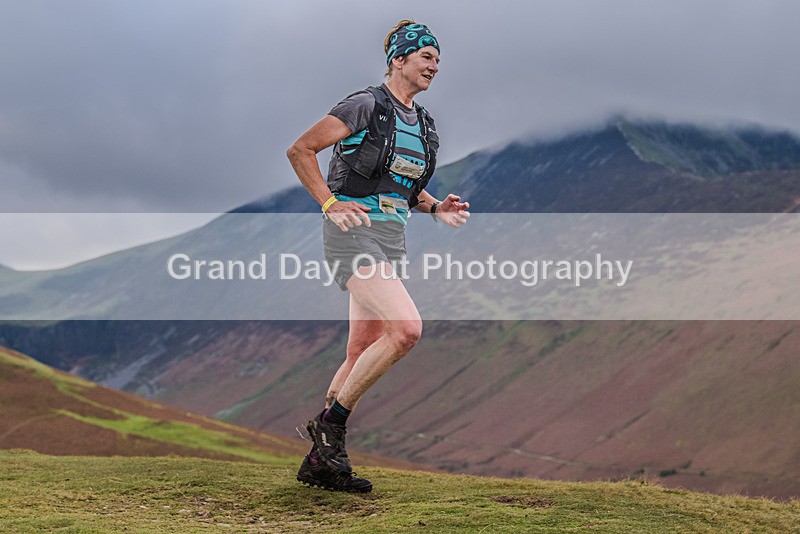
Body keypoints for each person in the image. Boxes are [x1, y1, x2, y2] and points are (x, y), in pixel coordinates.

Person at [287, 19, 469, 493]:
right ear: (399, 59)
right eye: (427, 56)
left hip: (391, 243)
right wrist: (330, 202)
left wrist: (435, 207)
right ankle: (332, 429)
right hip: (351, 236)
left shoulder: (423, 124)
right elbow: (301, 150)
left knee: (359, 352)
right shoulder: (365, 105)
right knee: (407, 330)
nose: (435, 66)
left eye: (438, 60)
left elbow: (404, 187)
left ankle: (320, 463)